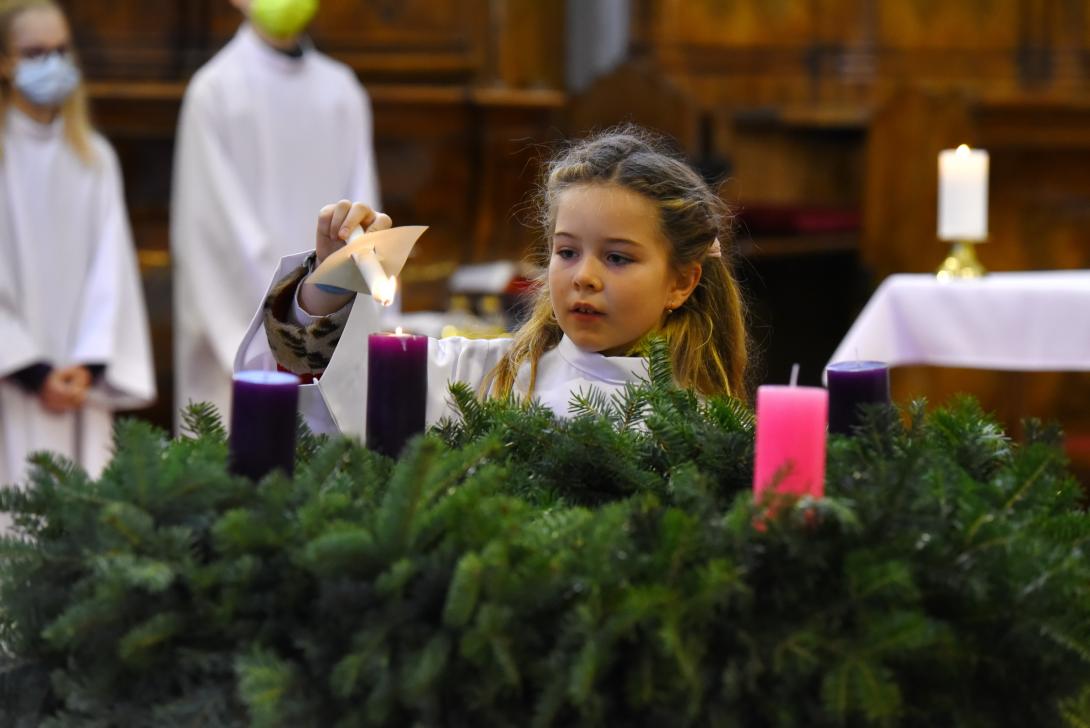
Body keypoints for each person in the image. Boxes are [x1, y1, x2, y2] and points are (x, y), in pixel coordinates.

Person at [236, 127, 749, 438]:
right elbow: (347, 390)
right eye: (566, 252)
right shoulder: (489, 379)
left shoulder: (706, 426)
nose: (584, 277)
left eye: (617, 258)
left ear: (681, 282)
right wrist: (331, 285)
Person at [171, 0, 381, 429]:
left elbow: (363, 211)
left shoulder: (341, 90)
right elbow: (213, 229)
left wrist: (330, 308)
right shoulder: (214, 91)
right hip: (241, 334)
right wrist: (287, 320)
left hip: (332, 322)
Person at [0, 0, 155, 489]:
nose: (53, 63)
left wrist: (88, 363)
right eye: (35, 52)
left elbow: (113, 272)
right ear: (5, 62)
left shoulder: (94, 158)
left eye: (62, 50)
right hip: (11, 387)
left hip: (80, 389)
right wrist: (30, 370)